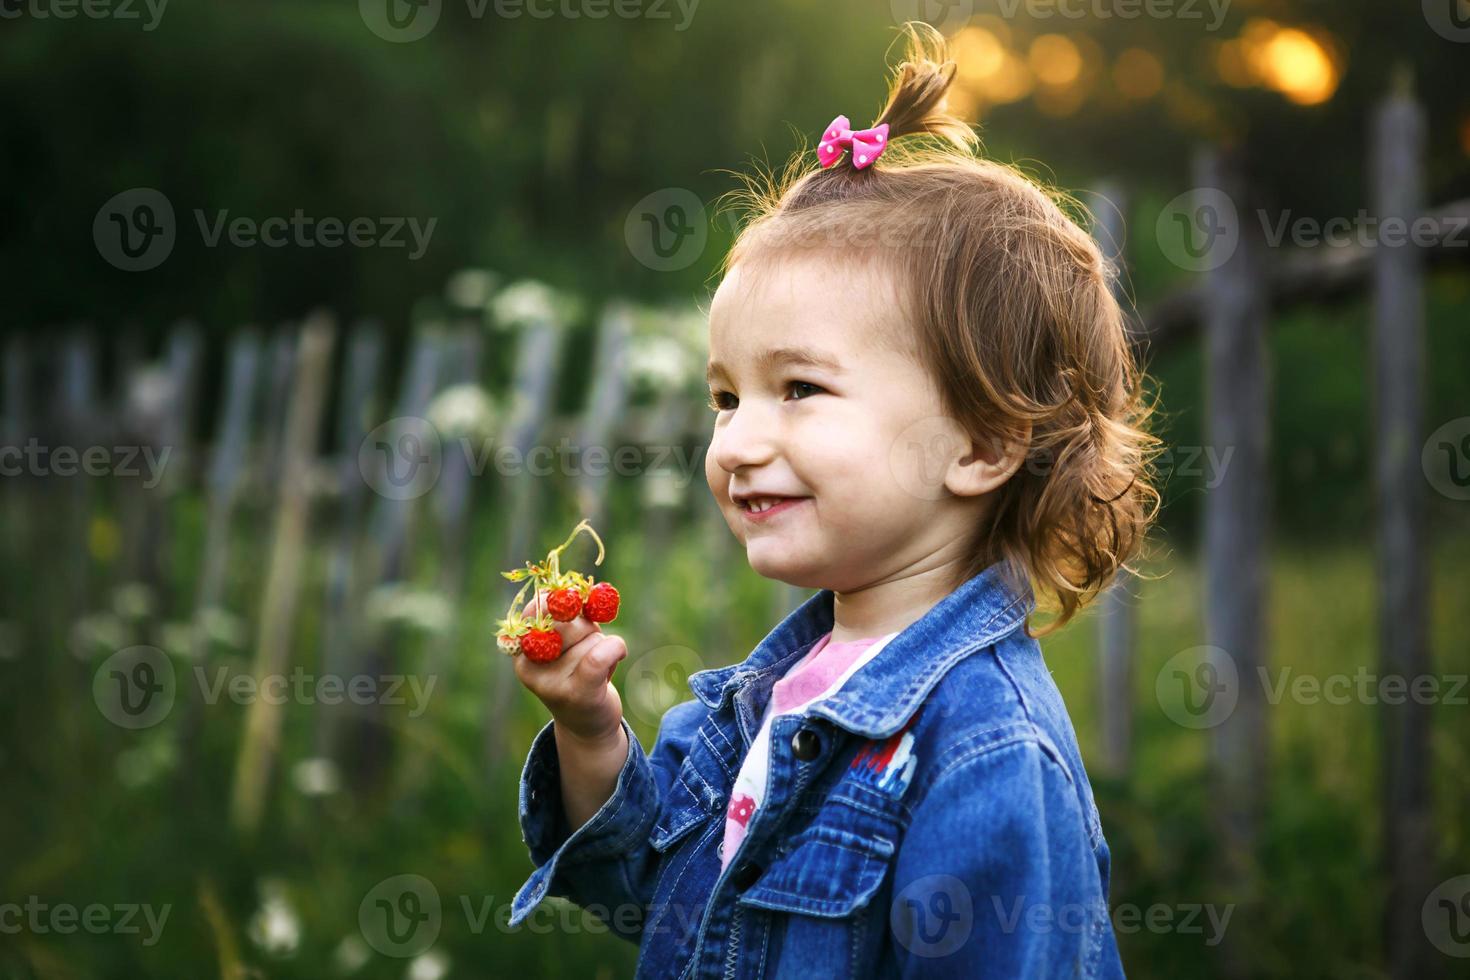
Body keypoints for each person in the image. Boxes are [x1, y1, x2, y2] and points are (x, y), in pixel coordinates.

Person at [507, 21, 1159, 979]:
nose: (737, 442)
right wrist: (590, 730)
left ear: (982, 443)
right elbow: (645, 894)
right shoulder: (772, 693)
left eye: (799, 390)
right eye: (726, 397)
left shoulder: (985, 751)